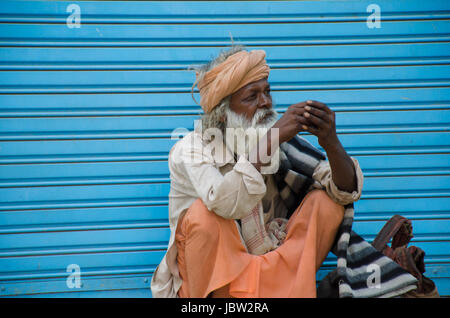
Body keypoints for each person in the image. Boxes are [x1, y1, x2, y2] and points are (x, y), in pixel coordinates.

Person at [151, 46, 364, 298]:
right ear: (222, 113)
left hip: (272, 269)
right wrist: (271, 140)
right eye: (251, 97)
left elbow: (345, 191)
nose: (265, 102)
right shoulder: (190, 149)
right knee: (203, 216)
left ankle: (289, 289)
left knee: (327, 204)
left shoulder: (278, 142)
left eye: (267, 92)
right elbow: (225, 203)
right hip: (219, 285)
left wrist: (330, 142)